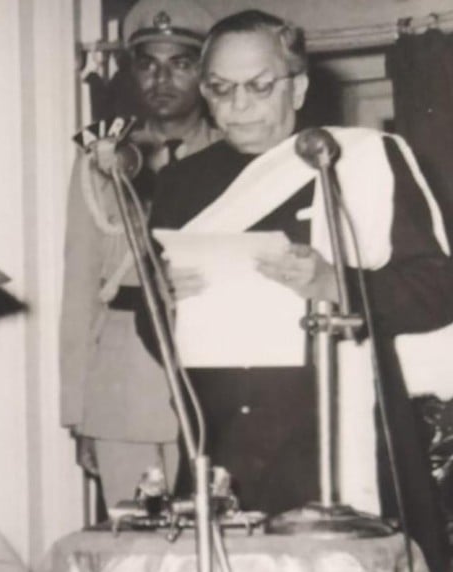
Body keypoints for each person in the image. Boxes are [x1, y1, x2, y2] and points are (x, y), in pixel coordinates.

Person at [138, 10, 453, 571]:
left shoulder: (359, 159)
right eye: (220, 88)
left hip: (338, 434)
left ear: (299, 86)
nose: (238, 105)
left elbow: (437, 285)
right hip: (221, 443)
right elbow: (150, 322)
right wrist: (162, 298)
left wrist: (339, 283)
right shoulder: (181, 183)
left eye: (259, 86)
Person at [60, 0, 221, 509]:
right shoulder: (99, 160)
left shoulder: (233, 155)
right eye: (147, 64)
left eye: (180, 63)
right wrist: (78, 412)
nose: (162, 79)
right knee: (130, 542)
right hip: (120, 377)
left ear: (205, 72)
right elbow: (80, 285)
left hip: (206, 367)